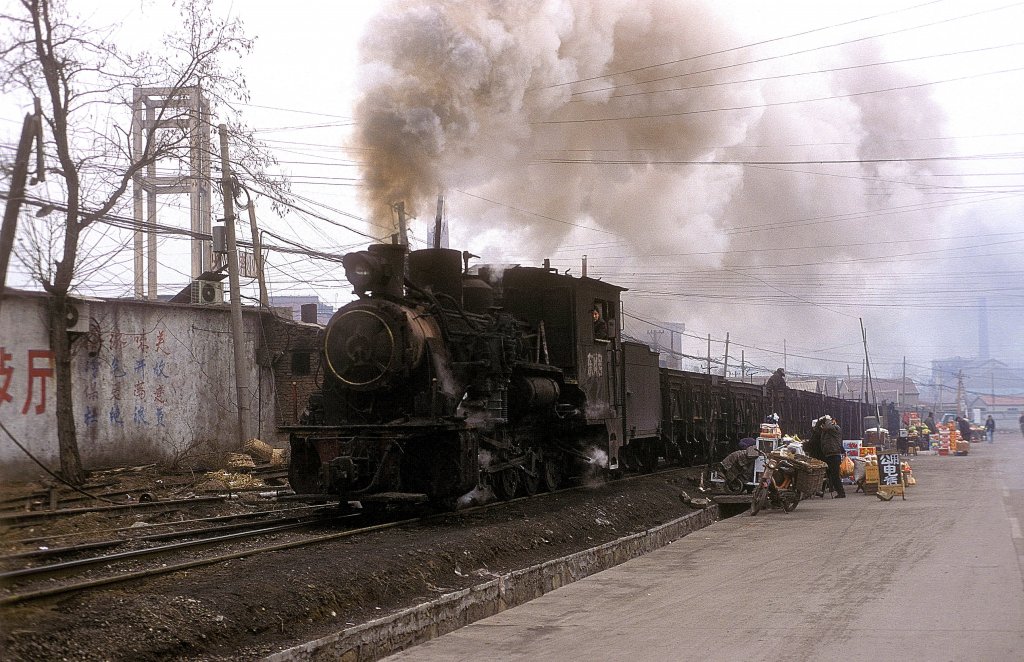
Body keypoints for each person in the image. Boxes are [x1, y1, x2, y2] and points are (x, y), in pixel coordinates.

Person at [819, 415, 846, 498]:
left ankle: (841, 493)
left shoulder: (836, 428)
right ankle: (835, 490)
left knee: (835, 475)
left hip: (834, 455)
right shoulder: (827, 431)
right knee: (830, 475)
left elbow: (829, 427)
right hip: (829, 454)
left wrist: (827, 419)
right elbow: (820, 429)